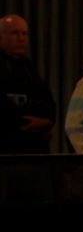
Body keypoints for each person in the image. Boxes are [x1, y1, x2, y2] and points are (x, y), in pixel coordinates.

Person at [0, 14, 56, 153]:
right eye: (14, 33)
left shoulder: (28, 68)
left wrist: (46, 122)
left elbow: (48, 101)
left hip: (34, 150)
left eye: (24, 34)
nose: (21, 38)